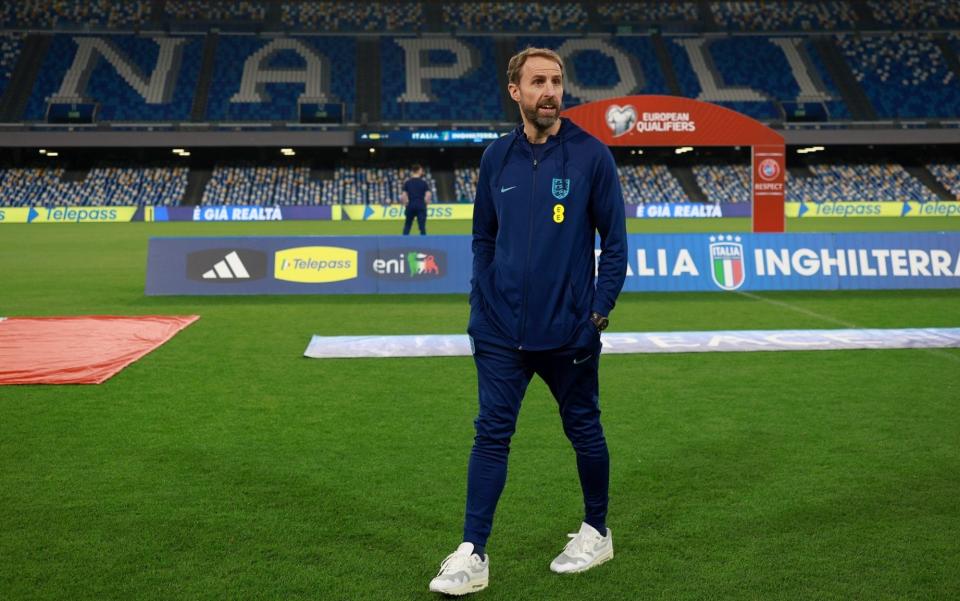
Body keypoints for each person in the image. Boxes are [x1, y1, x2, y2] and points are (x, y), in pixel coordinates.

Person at [428, 47, 628, 596]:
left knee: (583, 427)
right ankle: (473, 552)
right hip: (498, 333)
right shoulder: (497, 158)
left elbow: (615, 245)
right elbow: (483, 238)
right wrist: (480, 303)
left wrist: (597, 314)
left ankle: (596, 530)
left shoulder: (591, 156)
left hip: (570, 331)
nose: (551, 91)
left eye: (557, 81)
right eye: (538, 81)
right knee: (491, 433)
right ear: (515, 91)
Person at [401, 164, 431, 235]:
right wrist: (426, 203)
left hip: (411, 205)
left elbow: (403, 195)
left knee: (407, 225)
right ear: (418, 171)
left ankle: (403, 242)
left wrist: (406, 204)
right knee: (422, 227)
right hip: (420, 205)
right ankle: (424, 243)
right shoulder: (423, 183)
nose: (422, 171)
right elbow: (428, 195)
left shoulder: (407, 182)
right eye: (421, 170)